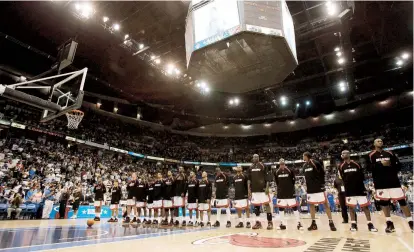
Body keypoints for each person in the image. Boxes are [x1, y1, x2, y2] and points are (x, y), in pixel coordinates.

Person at [368, 139, 413, 232]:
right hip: (380, 183)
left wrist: (390, 166)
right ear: (374, 144)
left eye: (381, 141)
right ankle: (390, 224)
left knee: (402, 202)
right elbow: (369, 168)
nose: (380, 142)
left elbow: (399, 165)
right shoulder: (371, 155)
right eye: (378, 141)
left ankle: (411, 223)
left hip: (393, 182)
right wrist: (381, 164)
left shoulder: (390, 153)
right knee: (384, 204)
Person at [339, 150, 378, 232]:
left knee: (365, 207)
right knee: (351, 208)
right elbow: (342, 177)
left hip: (359, 189)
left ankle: (370, 224)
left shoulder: (356, 164)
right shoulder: (341, 166)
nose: (343, 154)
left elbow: (362, 175)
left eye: (344, 153)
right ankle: (353, 224)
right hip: (349, 190)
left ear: (349, 154)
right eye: (342, 154)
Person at [302, 152, 336, 231]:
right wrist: (306, 186)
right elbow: (305, 177)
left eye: (303, 156)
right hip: (310, 189)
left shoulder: (315, 163)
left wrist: (322, 184)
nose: (303, 157)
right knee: (311, 205)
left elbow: (322, 173)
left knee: (325, 204)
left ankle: (331, 223)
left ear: (306, 156)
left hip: (319, 188)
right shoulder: (304, 166)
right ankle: (313, 224)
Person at [274, 159, 303, 230]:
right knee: (281, 209)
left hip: (290, 193)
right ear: (279, 164)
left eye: (283, 164)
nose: (282, 165)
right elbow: (277, 182)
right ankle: (282, 224)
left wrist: (290, 187)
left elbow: (293, 180)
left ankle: (299, 223)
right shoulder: (276, 172)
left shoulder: (290, 170)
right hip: (281, 193)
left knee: (294, 208)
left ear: (285, 164)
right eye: (281, 164)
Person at [248, 154, 273, 230]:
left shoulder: (263, 165)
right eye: (254, 157)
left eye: (257, 157)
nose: (255, 158)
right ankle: (258, 223)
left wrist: (267, 188)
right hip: (254, 190)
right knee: (256, 206)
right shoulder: (250, 167)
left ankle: (270, 222)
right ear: (252, 158)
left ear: (259, 158)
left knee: (267, 205)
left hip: (263, 189)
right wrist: (249, 189)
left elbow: (268, 178)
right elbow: (249, 179)